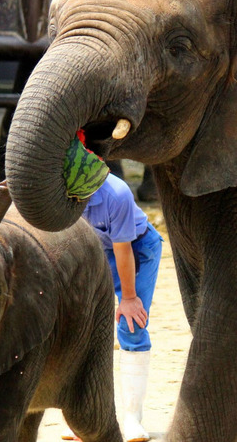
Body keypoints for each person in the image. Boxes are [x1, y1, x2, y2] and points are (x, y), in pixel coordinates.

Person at [61, 173, 163, 442]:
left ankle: (131, 418)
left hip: (137, 249)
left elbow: (123, 249)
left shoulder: (116, 193)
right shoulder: (58, 190)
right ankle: (85, 418)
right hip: (95, 251)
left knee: (131, 324)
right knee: (82, 327)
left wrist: (128, 299)